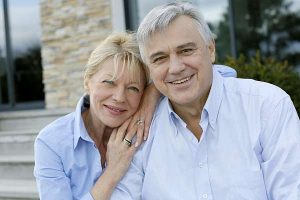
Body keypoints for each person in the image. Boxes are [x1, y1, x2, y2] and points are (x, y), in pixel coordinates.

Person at [111, 2, 300, 200]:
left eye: (186, 51)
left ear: (211, 50)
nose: (175, 67)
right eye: (160, 58)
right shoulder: (137, 135)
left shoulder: (267, 106)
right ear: (149, 69)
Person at [34, 32, 160, 200]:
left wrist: (154, 92)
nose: (119, 97)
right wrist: (113, 170)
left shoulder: (147, 131)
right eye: (109, 83)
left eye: (133, 88)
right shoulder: (52, 142)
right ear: (87, 81)